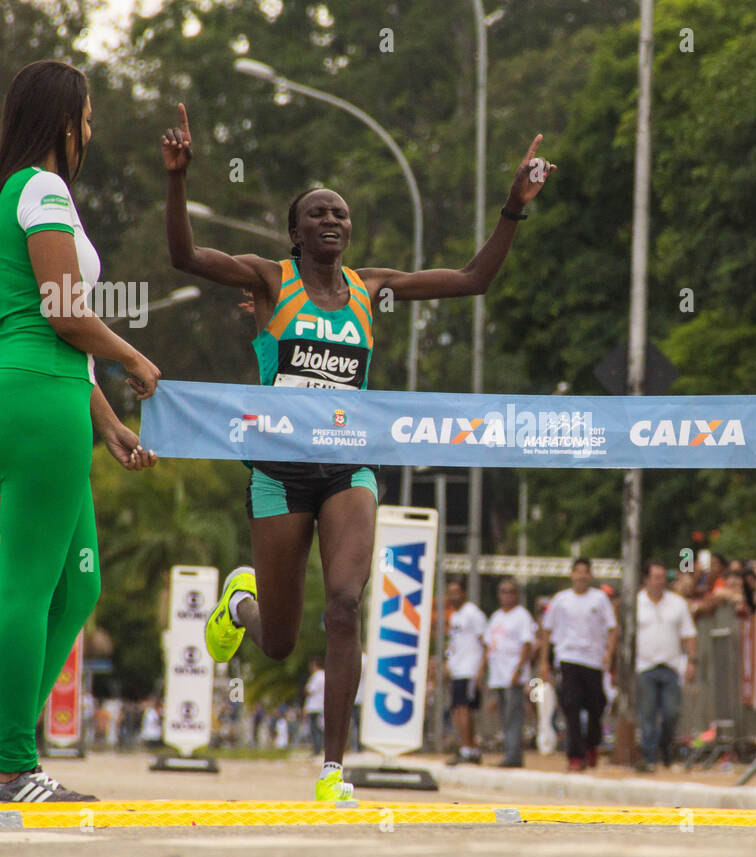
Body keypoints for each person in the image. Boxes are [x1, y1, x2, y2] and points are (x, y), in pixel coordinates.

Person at [162, 105, 554, 801]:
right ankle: (239, 602)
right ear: (295, 232)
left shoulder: (373, 290)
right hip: (278, 470)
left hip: (349, 463)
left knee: (344, 605)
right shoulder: (267, 281)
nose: (333, 221)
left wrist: (512, 210)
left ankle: (332, 770)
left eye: (340, 213)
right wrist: (178, 180)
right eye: (318, 214)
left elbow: (472, 280)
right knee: (279, 642)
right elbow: (186, 258)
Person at [0, 61, 160, 803]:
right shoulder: (43, 189)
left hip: (49, 402)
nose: (92, 130)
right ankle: (13, 764)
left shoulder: (25, 192)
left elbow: (61, 337)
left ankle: (0, 761)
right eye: (88, 116)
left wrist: (105, 420)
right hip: (34, 404)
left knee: (77, 589)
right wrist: (134, 353)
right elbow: (65, 315)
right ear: (62, 120)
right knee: (28, 587)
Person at [537, 558, 617, 771]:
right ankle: (575, 755)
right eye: (577, 572)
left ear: (590, 575)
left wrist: (609, 652)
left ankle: (591, 744)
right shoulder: (561, 599)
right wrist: (544, 660)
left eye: (585, 572)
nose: (581, 576)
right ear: (572, 574)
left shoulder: (599, 599)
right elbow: (547, 629)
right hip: (568, 657)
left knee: (596, 706)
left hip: (593, 659)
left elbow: (612, 628)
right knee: (571, 705)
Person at [634, 559, 696, 772]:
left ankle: (666, 749)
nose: (661, 581)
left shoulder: (677, 603)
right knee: (648, 715)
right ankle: (650, 757)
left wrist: (691, 661)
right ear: (646, 579)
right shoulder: (635, 603)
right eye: (656, 577)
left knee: (671, 713)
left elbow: (689, 634)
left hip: (671, 666)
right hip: (645, 667)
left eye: (663, 577)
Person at [482, 577, 537, 768]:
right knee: (504, 715)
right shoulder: (497, 616)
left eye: (511, 591)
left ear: (517, 595)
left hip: (513, 674)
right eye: (503, 591)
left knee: (514, 715)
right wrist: (485, 670)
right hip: (498, 675)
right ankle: (509, 751)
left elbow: (527, 645)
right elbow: (488, 644)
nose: (507, 595)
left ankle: (513, 754)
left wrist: (519, 669)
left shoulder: (522, 616)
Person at [443, 578, 487, 765]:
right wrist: (448, 663)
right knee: (457, 709)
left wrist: (481, 670)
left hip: (470, 668)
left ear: (464, 593)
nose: (453, 596)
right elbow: (453, 644)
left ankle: (470, 748)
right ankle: (465, 747)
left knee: (465, 709)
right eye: (450, 592)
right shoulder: (454, 617)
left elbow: (485, 642)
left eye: (456, 592)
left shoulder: (473, 613)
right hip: (457, 669)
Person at [304, 657, 326, 757]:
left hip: (314, 706)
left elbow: (310, 690)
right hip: (321, 705)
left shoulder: (316, 676)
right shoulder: (325, 675)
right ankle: (320, 748)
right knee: (320, 728)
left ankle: (316, 750)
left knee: (315, 729)